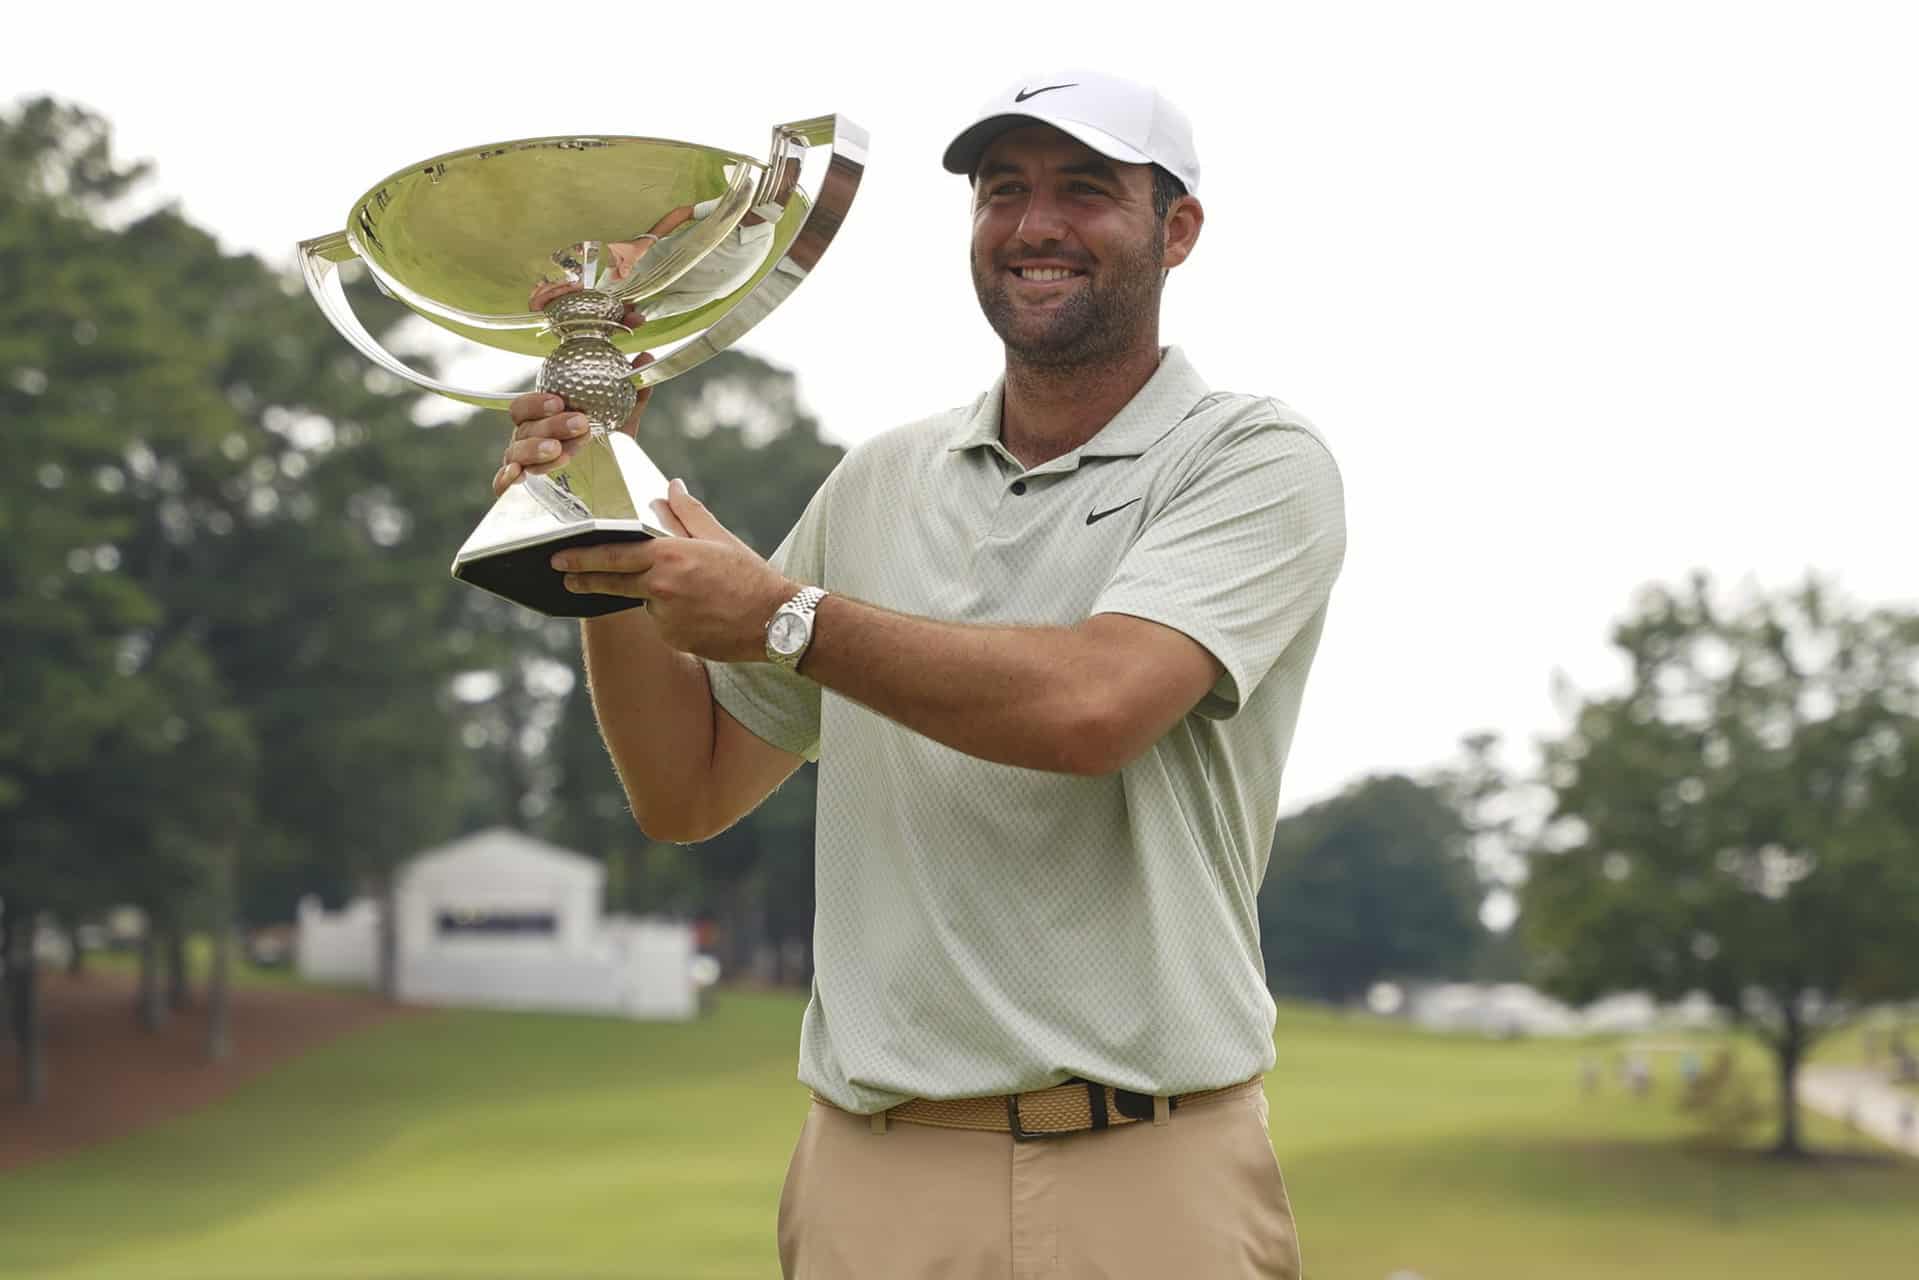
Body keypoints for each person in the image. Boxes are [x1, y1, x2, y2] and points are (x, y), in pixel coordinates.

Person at [494, 70, 1345, 1279]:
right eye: (1003, 191)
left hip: (1148, 1170)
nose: (1034, 224)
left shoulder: (1251, 459)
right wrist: (603, 522)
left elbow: (1092, 707)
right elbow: (687, 786)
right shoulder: (879, 478)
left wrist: (786, 615)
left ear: (1178, 230)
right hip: (873, 1170)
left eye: (1085, 191)